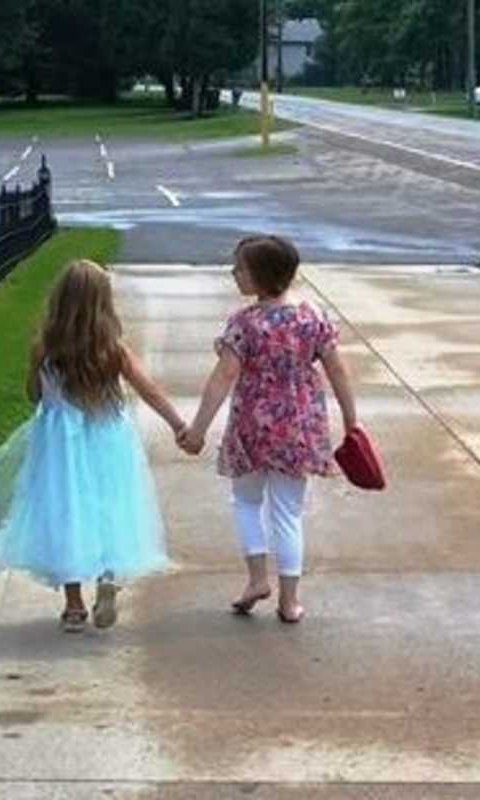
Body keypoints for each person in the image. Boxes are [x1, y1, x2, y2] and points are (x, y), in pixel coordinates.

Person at [0, 259, 185, 633]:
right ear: (103, 303)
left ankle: (74, 606)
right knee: (109, 504)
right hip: (108, 437)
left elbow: (34, 395)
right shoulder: (113, 350)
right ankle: (108, 576)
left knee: (66, 511)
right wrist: (179, 426)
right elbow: (149, 390)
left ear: (59, 301)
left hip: (60, 444)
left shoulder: (44, 348)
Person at [179, 236, 357, 623]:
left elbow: (224, 376)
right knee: (288, 513)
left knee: (245, 502)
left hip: (252, 427)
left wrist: (198, 429)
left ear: (259, 276)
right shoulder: (312, 316)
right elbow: (337, 370)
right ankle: (290, 602)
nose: (233, 273)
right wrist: (351, 420)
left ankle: (258, 579)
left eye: (239, 268)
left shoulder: (244, 323)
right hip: (299, 426)